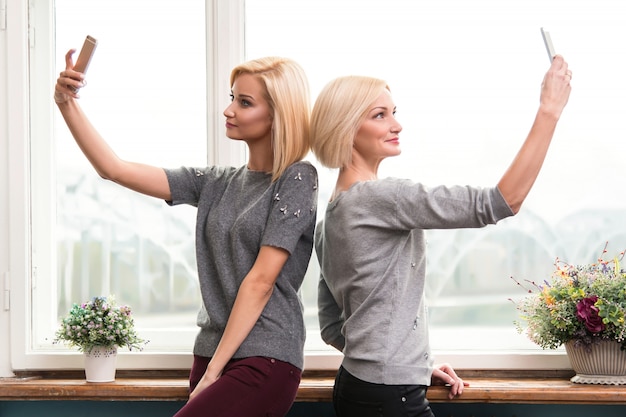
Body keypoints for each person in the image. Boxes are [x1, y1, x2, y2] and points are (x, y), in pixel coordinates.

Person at [54, 51, 318, 417]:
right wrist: (66, 104)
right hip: (210, 351)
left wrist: (213, 373)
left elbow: (260, 281)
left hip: (265, 355)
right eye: (232, 98)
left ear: (278, 115)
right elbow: (112, 169)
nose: (229, 110)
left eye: (244, 102)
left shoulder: (297, 178)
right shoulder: (215, 182)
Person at [310, 55, 572, 417]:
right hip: (390, 399)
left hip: (356, 388)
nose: (396, 124)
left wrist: (408, 365)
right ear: (345, 128)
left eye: (393, 111)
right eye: (379, 115)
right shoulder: (383, 198)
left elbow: (331, 328)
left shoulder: (330, 218)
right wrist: (550, 110)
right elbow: (501, 202)